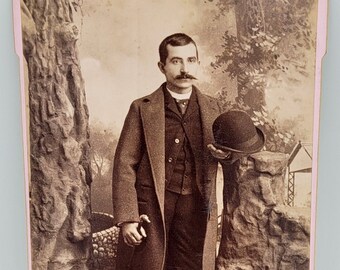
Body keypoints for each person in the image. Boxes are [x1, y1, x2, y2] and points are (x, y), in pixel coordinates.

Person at [112, 33, 223, 270]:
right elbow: (125, 165)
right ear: (161, 66)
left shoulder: (213, 108)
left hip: (196, 207)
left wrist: (228, 156)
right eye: (176, 61)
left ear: (198, 63)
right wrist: (128, 219)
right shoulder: (142, 108)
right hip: (151, 207)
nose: (185, 69)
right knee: (151, 264)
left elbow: (229, 156)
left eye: (191, 60)